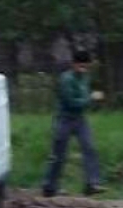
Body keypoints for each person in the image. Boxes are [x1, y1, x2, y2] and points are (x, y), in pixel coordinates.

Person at [42, 50, 107, 197]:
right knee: (59, 154)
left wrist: (89, 100)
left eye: (86, 67)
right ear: (74, 64)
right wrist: (91, 99)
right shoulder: (66, 79)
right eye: (81, 66)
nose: (83, 69)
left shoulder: (85, 78)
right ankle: (50, 186)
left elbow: (83, 97)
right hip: (64, 119)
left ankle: (92, 183)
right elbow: (71, 102)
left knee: (89, 148)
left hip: (80, 119)